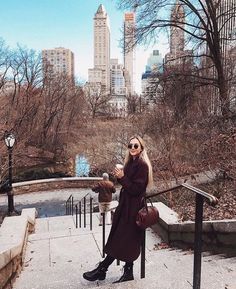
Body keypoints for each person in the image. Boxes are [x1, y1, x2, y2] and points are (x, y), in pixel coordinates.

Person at [83, 135, 153, 283]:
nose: (133, 148)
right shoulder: (130, 163)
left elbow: (136, 189)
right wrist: (119, 176)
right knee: (127, 240)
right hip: (126, 207)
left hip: (133, 210)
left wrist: (122, 178)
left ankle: (102, 269)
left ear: (141, 148)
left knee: (121, 240)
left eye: (136, 146)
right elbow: (127, 184)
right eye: (130, 145)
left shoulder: (142, 165)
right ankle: (126, 272)